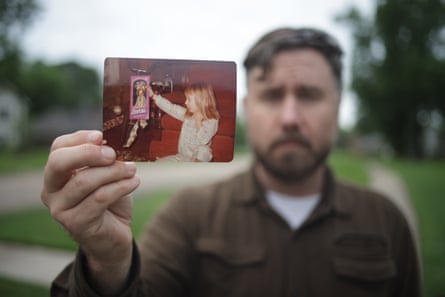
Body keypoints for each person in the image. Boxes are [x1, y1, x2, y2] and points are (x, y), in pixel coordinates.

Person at [41, 27, 421, 297]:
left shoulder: (387, 221)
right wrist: (108, 264)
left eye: (309, 95)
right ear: (248, 109)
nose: (290, 116)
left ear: (337, 109)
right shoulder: (187, 215)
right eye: (272, 95)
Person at [151, 82, 220, 162]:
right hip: (183, 157)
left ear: (200, 101)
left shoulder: (212, 121)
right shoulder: (188, 115)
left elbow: (204, 140)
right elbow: (171, 108)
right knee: (159, 163)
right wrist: (153, 95)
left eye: (189, 99)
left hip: (198, 159)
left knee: (204, 150)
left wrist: (198, 121)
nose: (186, 102)